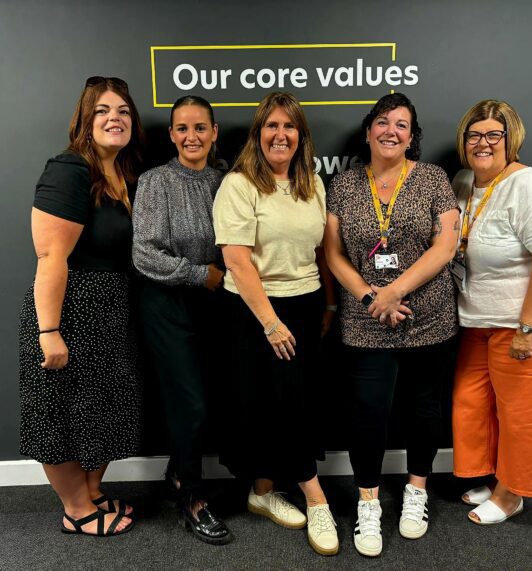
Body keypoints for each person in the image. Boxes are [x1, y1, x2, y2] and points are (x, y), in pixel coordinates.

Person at [323, 93, 459, 555]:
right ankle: (368, 502)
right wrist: (370, 296)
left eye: (402, 124)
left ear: (411, 136)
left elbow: (445, 246)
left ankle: (417, 490)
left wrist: (394, 291)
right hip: (366, 321)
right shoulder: (344, 184)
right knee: (368, 413)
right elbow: (333, 253)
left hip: (429, 319)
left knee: (425, 410)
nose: (391, 131)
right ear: (368, 131)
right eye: (383, 122)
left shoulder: (433, 178)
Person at [212, 92, 338, 556]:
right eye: (272, 126)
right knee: (284, 403)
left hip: (305, 303)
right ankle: (317, 500)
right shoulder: (239, 185)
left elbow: (321, 253)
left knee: (291, 402)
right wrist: (270, 323)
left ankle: (262, 492)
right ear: (258, 134)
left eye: (289, 126)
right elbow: (237, 261)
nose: (280, 135)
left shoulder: (312, 183)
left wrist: (328, 306)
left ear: (301, 136)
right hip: (256, 311)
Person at [19, 76, 144, 536]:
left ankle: (91, 492)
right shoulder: (69, 169)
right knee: (58, 413)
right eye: (103, 111)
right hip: (70, 311)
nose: (115, 119)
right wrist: (49, 331)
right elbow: (51, 255)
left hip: (110, 314)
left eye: (123, 111)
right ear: (85, 120)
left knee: (99, 409)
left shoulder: (123, 174)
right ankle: (76, 509)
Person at [451, 99, 532, 525]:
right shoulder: (464, 182)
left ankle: (511, 494)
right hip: (477, 319)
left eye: (493, 135)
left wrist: (527, 328)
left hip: (523, 321)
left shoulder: (526, 185)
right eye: (474, 135)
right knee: (472, 402)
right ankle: (495, 475)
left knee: (521, 413)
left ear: (510, 139)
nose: (482, 143)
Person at [132, 95, 231, 544]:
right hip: (168, 304)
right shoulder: (156, 181)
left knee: (209, 399)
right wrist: (198, 273)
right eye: (183, 128)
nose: (192, 137)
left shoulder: (226, 180)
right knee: (189, 403)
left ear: (214, 132)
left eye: (200, 127)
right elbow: (144, 253)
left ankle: (178, 472)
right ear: (171, 134)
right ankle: (193, 500)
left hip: (217, 304)